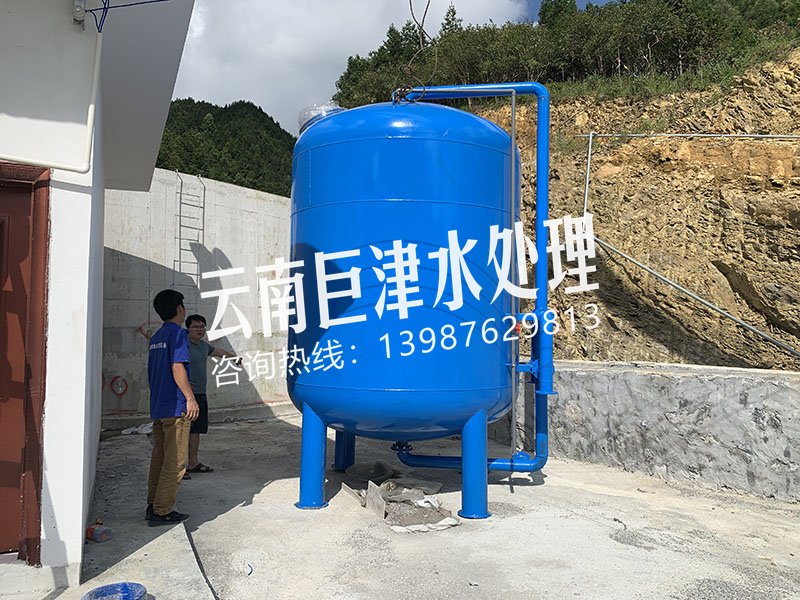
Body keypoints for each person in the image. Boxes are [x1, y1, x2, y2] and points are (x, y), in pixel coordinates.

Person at [146, 289, 199, 526]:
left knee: (159, 458)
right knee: (176, 461)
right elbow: (177, 367)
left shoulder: (157, 336)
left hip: (159, 406)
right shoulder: (178, 334)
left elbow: (161, 371)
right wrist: (190, 397)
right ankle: (162, 511)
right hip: (176, 408)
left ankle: (153, 504)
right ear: (179, 308)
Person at [184, 314, 240, 474]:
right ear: (188, 328)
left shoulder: (203, 346)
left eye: (202, 327)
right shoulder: (182, 345)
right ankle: (178, 468)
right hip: (185, 395)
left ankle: (193, 463)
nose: (199, 329)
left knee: (195, 431)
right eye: (195, 326)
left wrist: (234, 358)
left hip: (200, 394)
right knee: (181, 432)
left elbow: (218, 352)